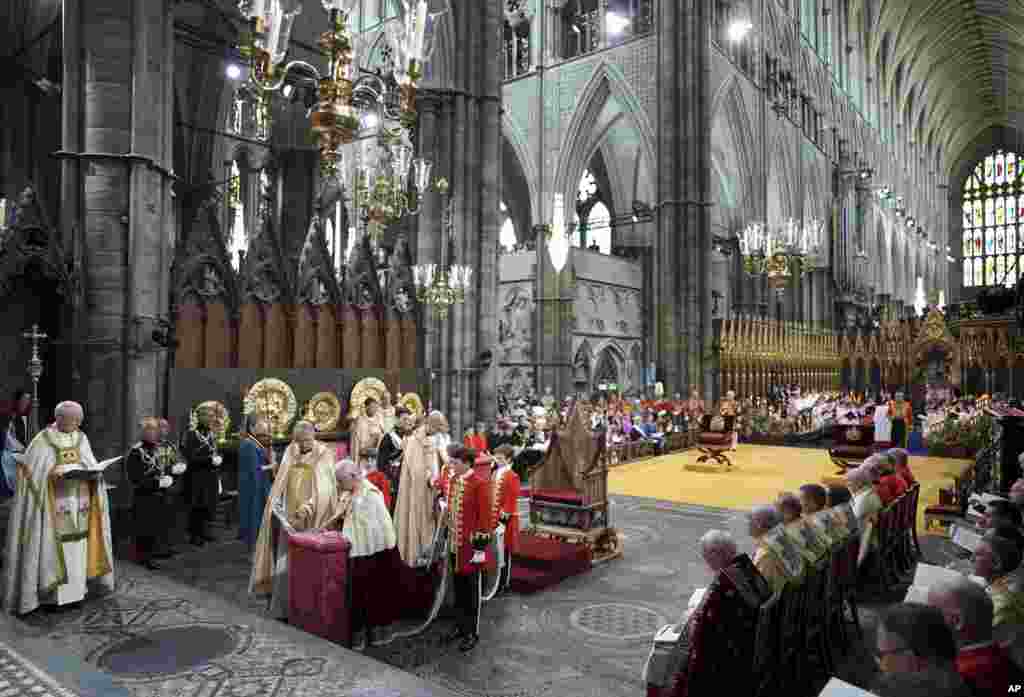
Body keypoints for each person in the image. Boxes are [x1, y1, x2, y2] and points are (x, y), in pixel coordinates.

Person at [4, 401, 115, 614]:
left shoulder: (81, 438)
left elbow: (89, 462)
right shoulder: (42, 440)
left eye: (78, 421)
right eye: (72, 420)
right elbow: (32, 472)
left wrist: (92, 472)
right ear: (59, 418)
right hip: (52, 507)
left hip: (79, 504)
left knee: (78, 549)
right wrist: (51, 474)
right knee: (54, 547)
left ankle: (76, 593)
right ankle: (51, 597)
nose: (76, 424)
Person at [249, 421, 340, 620]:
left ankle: (310, 608)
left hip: (314, 516)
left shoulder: (324, 454)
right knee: (287, 560)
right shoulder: (292, 449)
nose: (301, 446)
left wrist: (307, 508)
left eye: (305, 441)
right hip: (291, 518)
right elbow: (282, 478)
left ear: (313, 436)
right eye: (298, 441)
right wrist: (277, 504)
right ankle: (285, 605)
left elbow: (326, 488)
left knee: (310, 562)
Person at [334, 458, 399, 648]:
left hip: (372, 553)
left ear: (353, 476)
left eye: (341, 481)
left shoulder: (370, 495)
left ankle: (374, 636)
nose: (339, 485)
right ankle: (360, 636)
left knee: (371, 596)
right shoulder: (350, 491)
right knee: (358, 597)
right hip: (357, 552)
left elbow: (377, 528)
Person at [439, 447, 494, 652]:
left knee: (472, 590)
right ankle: (460, 626)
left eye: (455, 462)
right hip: (455, 545)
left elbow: (485, 519)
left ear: (467, 463)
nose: (452, 465)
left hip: (471, 548)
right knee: (459, 589)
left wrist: (480, 550)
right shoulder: (454, 481)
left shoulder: (479, 484)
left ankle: (472, 632)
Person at [927, 576, 1013, 695]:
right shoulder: (1007, 659)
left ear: (957, 621)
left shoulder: (954, 678)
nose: (925, 620)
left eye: (930, 613)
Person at [871, 603, 970, 697]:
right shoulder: (957, 681)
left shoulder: (890, 690)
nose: (881, 664)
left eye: (883, 655)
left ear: (916, 655)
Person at [126, 418, 185, 570]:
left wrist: (170, 473)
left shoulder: (157, 449)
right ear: (143, 433)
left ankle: (155, 552)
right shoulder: (136, 451)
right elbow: (135, 478)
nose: (154, 433)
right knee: (144, 526)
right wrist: (156, 483)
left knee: (157, 525)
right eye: (150, 430)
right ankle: (143, 557)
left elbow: (162, 468)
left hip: (160, 493)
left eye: (155, 430)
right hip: (144, 495)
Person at [394, 412, 437, 564]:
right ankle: (413, 554)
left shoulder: (428, 440)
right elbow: (416, 470)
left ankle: (426, 554)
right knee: (414, 516)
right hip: (416, 489)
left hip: (428, 490)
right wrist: (429, 478)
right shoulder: (414, 441)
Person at [181, 405, 224, 546]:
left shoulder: (211, 435)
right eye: (208, 416)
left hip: (210, 475)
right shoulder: (192, 435)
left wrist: (217, 459)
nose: (212, 419)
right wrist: (209, 460)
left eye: (212, 416)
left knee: (208, 505)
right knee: (197, 506)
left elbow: (214, 451)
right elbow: (190, 456)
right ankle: (195, 535)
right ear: (200, 417)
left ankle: (205, 532)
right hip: (196, 476)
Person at [238, 417, 274, 548]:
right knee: (254, 514)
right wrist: (271, 465)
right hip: (254, 485)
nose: (264, 427)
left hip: (256, 483)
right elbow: (255, 468)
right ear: (252, 428)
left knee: (257, 514)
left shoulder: (253, 442)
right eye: (260, 425)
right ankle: (254, 546)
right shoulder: (249, 444)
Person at [973, 536, 1024, 628]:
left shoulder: (1001, 605)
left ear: (996, 564)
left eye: (978, 555)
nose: (971, 558)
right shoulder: (994, 581)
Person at [490, 444, 520, 591]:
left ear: (509, 459)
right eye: (497, 457)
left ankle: (504, 582)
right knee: (497, 551)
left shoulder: (512, 476)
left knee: (505, 552)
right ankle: (497, 581)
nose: (497, 460)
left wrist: (503, 519)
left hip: (505, 520)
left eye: (501, 458)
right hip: (494, 518)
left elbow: (511, 500)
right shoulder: (495, 472)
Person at [748, 504, 788, 595]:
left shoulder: (766, 554)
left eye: (750, 519)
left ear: (760, 525)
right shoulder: (777, 541)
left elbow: (759, 590)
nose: (748, 523)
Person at [848, 465, 882, 567]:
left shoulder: (864, 498)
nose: (847, 485)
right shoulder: (867, 492)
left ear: (859, 483)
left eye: (849, 482)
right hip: (864, 536)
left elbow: (852, 520)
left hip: (860, 542)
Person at [350, 397, 385, 471]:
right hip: (363, 456)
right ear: (366, 407)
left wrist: (378, 437)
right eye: (372, 407)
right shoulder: (360, 421)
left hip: (376, 454)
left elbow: (382, 434)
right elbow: (358, 443)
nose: (374, 409)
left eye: (376, 407)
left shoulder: (379, 419)